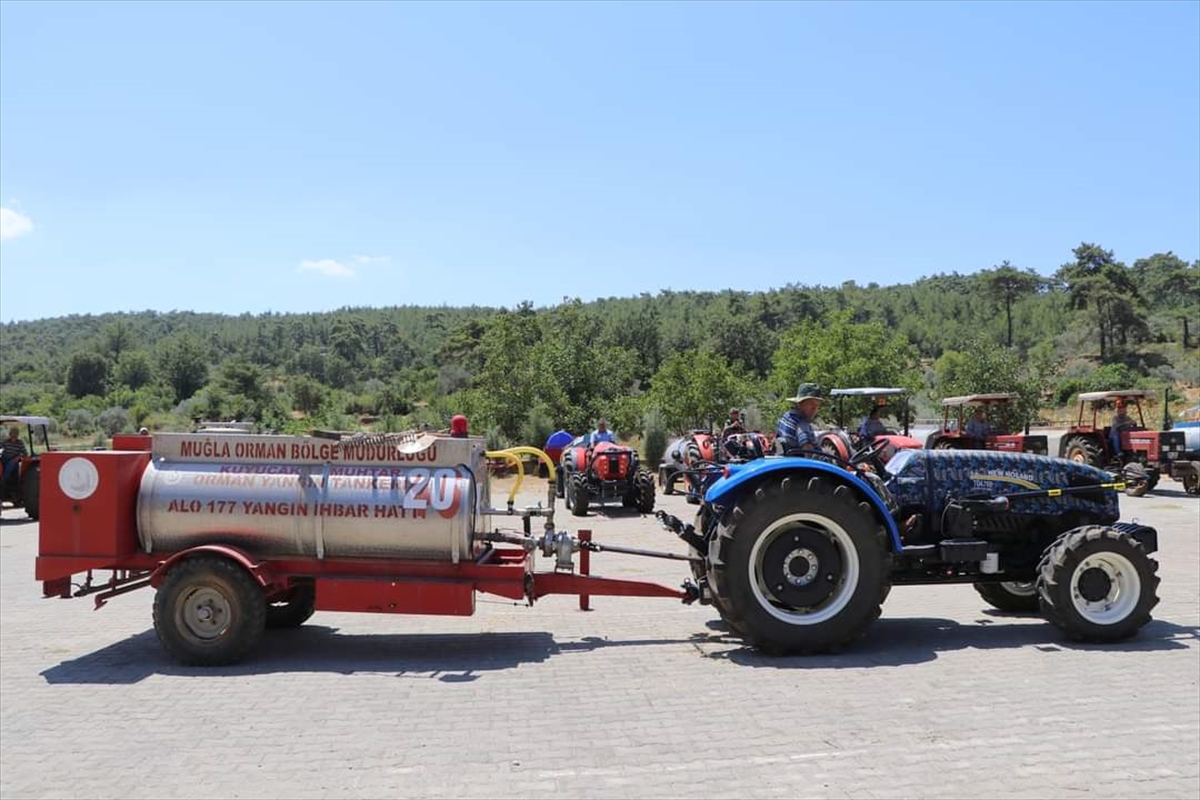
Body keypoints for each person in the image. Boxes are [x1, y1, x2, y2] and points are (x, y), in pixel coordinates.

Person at [776, 383, 823, 454]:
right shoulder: (802, 424)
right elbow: (808, 453)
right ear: (800, 404)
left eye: (817, 405)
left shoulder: (786, 416)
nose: (814, 408)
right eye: (811, 404)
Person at [1, 426, 28, 492]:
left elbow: (25, 453)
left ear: (17, 435)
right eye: (12, 434)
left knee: (10, 464)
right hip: (4, 458)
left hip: (14, 459)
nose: (13, 436)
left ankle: (3, 481)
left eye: (15, 434)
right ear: (10, 434)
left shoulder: (20, 443)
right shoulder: (6, 441)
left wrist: (18, 457)